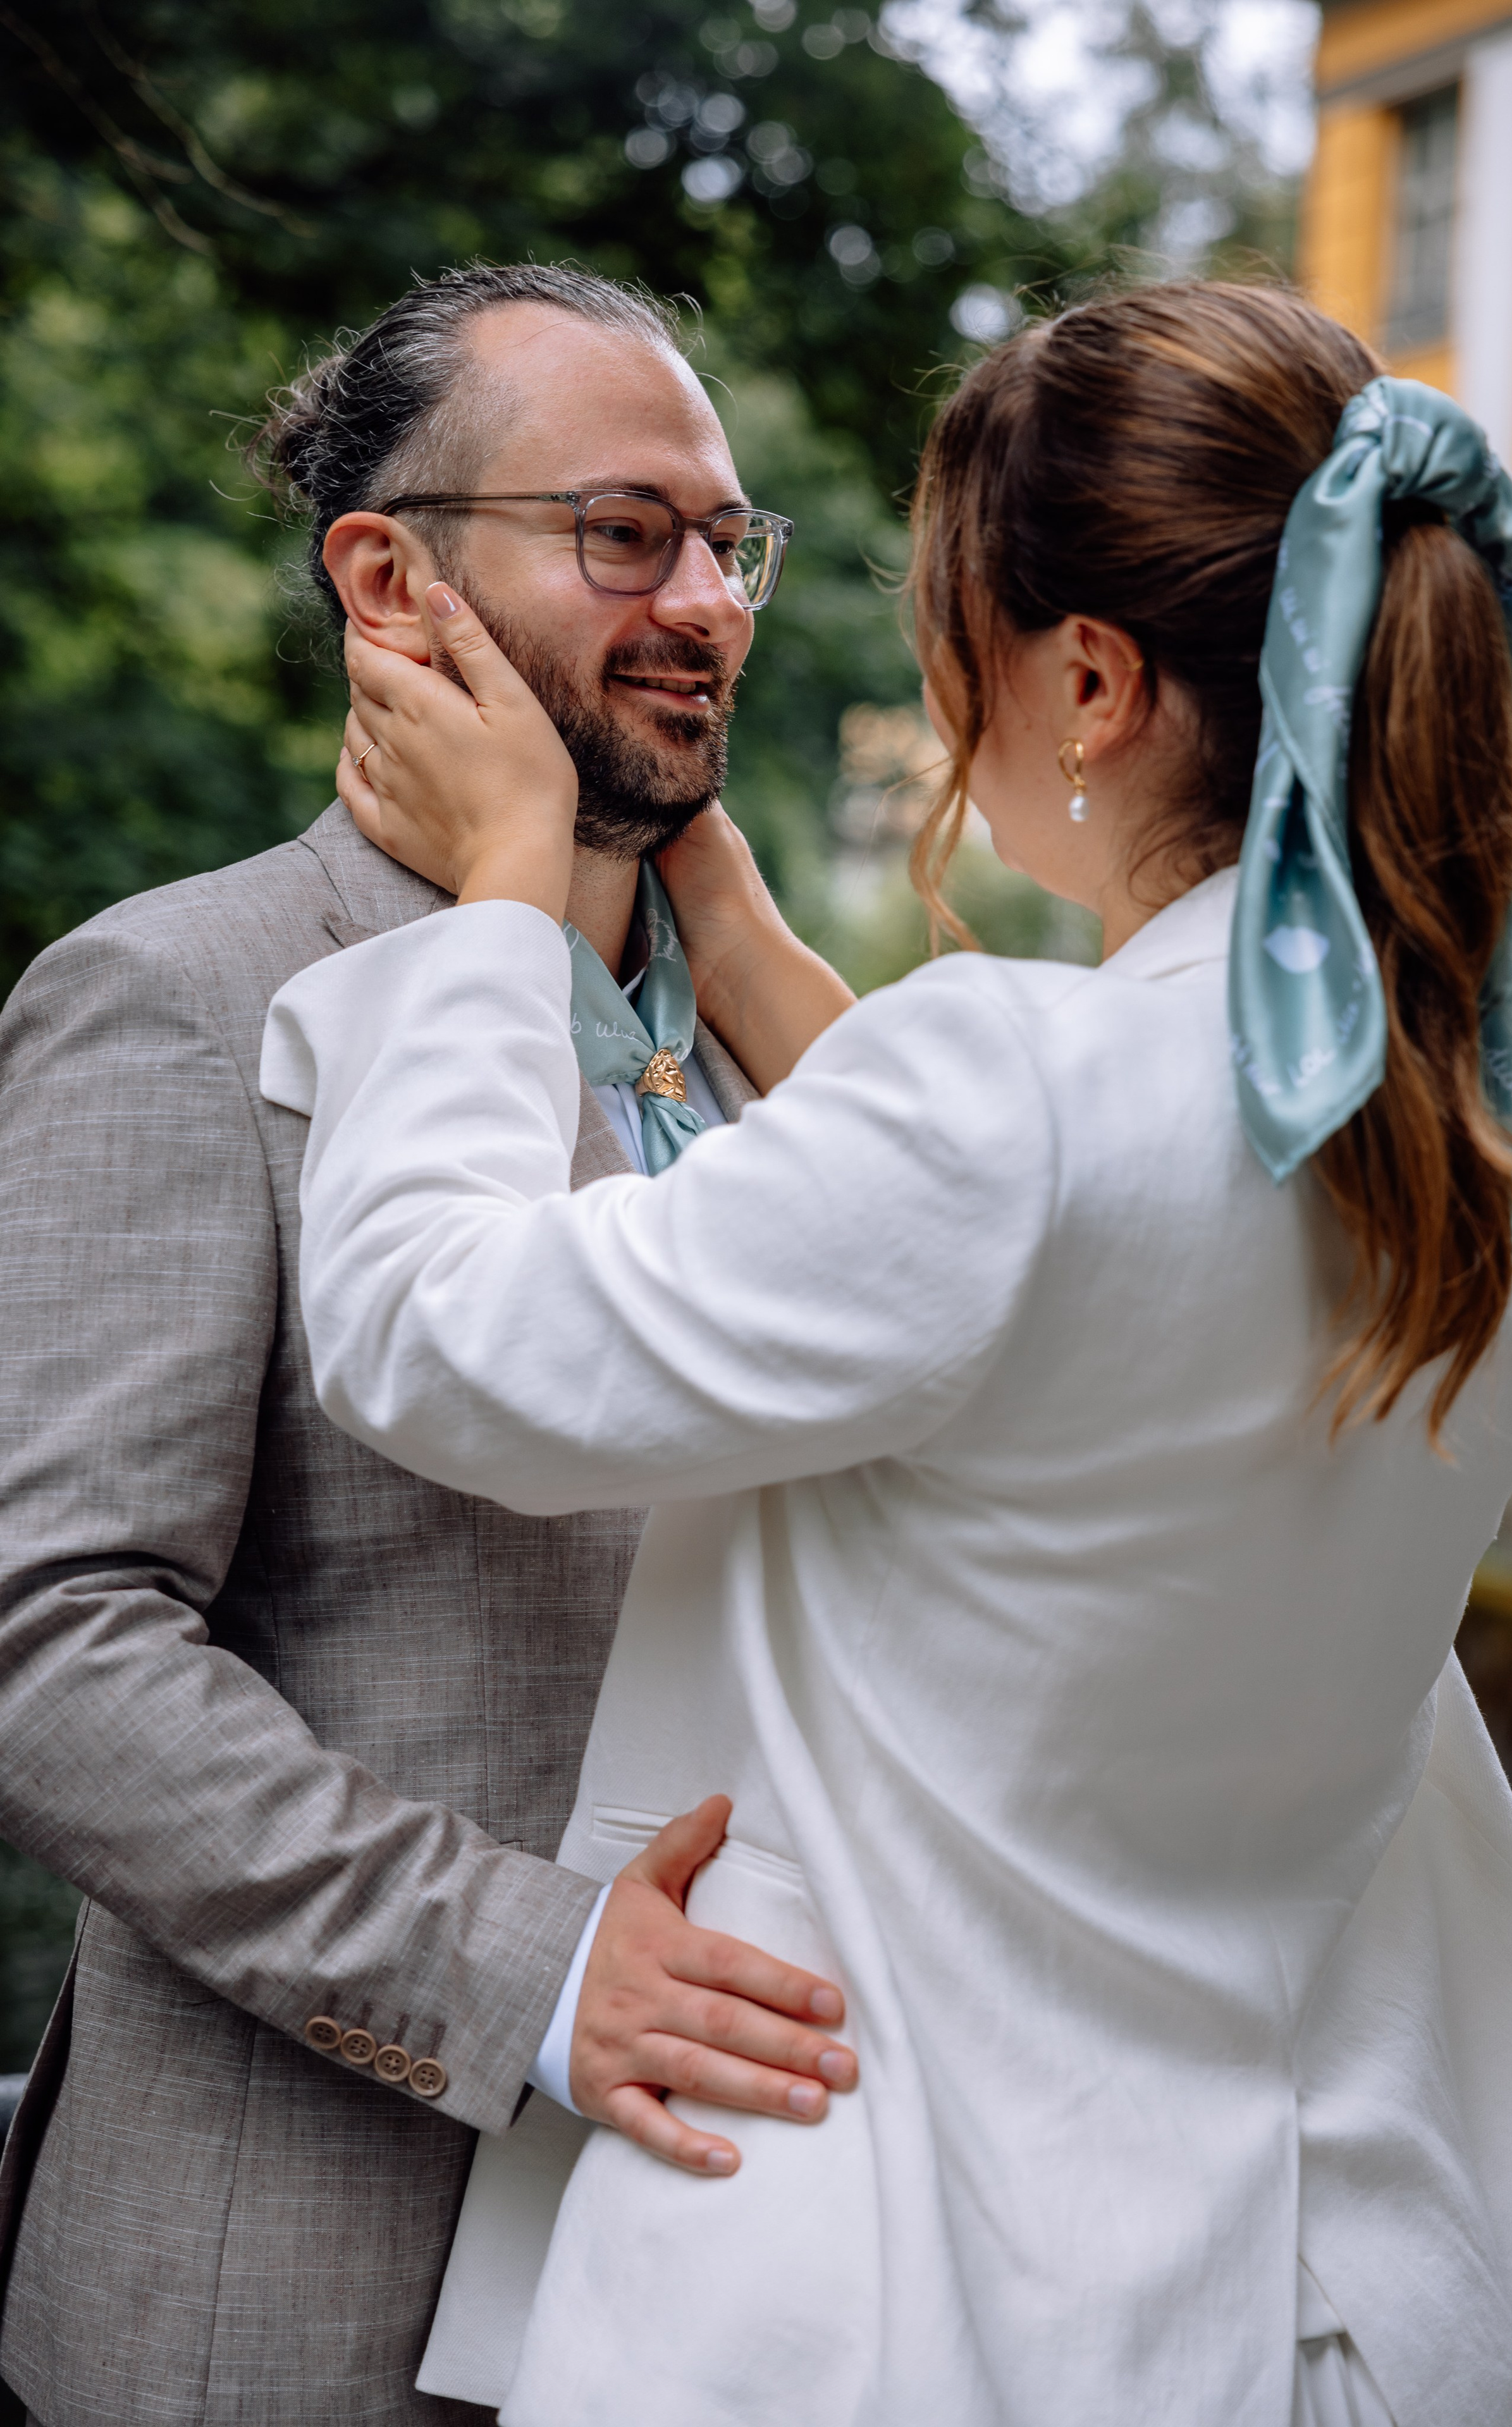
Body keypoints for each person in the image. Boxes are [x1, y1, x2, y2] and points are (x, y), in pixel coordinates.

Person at [264, 281, 1512, 2426]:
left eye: (950, 636)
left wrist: (511, 898)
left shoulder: (1020, 1107)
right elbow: (1074, 1242)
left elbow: (438, 1334)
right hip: (1290, 2258)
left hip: (886, 2265)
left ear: (1087, 677)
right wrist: (754, 945)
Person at [0, 261, 859, 2427]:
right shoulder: (178, 995)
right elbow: (49, 1644)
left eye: (728, 542)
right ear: (388, 580)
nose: (709, 603)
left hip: (743, 2285)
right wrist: (535, 1968)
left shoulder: (787, 1071)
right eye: (622, 532)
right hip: (304, 2294)